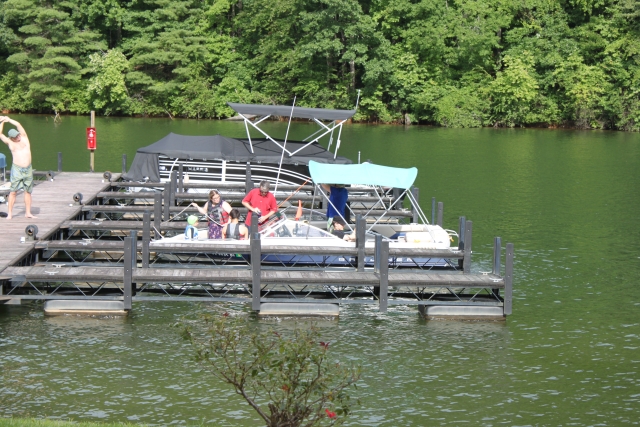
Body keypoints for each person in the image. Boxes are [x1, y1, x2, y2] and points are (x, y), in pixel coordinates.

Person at [0, 116, 36, 219]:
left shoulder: (24, 138)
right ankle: (10, 214)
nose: (18, 137)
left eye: (18, 135)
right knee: (13, 192)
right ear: (11, 138)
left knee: (28, 191)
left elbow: (18, 125)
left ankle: (28, 213)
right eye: (15, 137)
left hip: (28, 169)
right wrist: (2, 122)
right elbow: (0, 134)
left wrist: (8, 119)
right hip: (17, 169)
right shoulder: (10, 143)